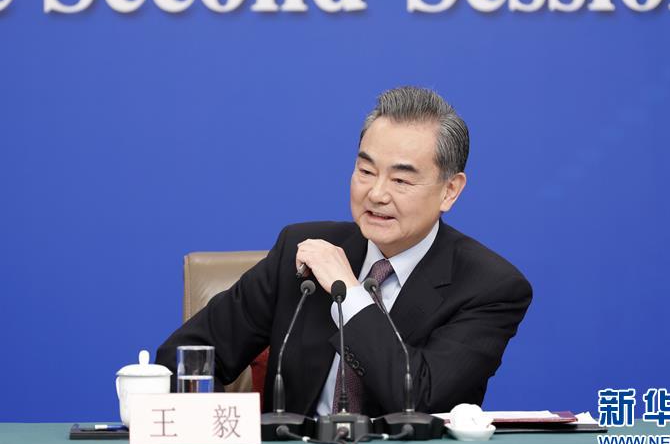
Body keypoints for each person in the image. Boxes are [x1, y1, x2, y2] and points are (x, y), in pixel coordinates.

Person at [156, 87, 532, 417]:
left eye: (401, 179)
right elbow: (182, 356)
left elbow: (420, 399)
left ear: (450, 191)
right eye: (366, 171)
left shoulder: (489, 286)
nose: (376, 194)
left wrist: (349, 293)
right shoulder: (299, 250)